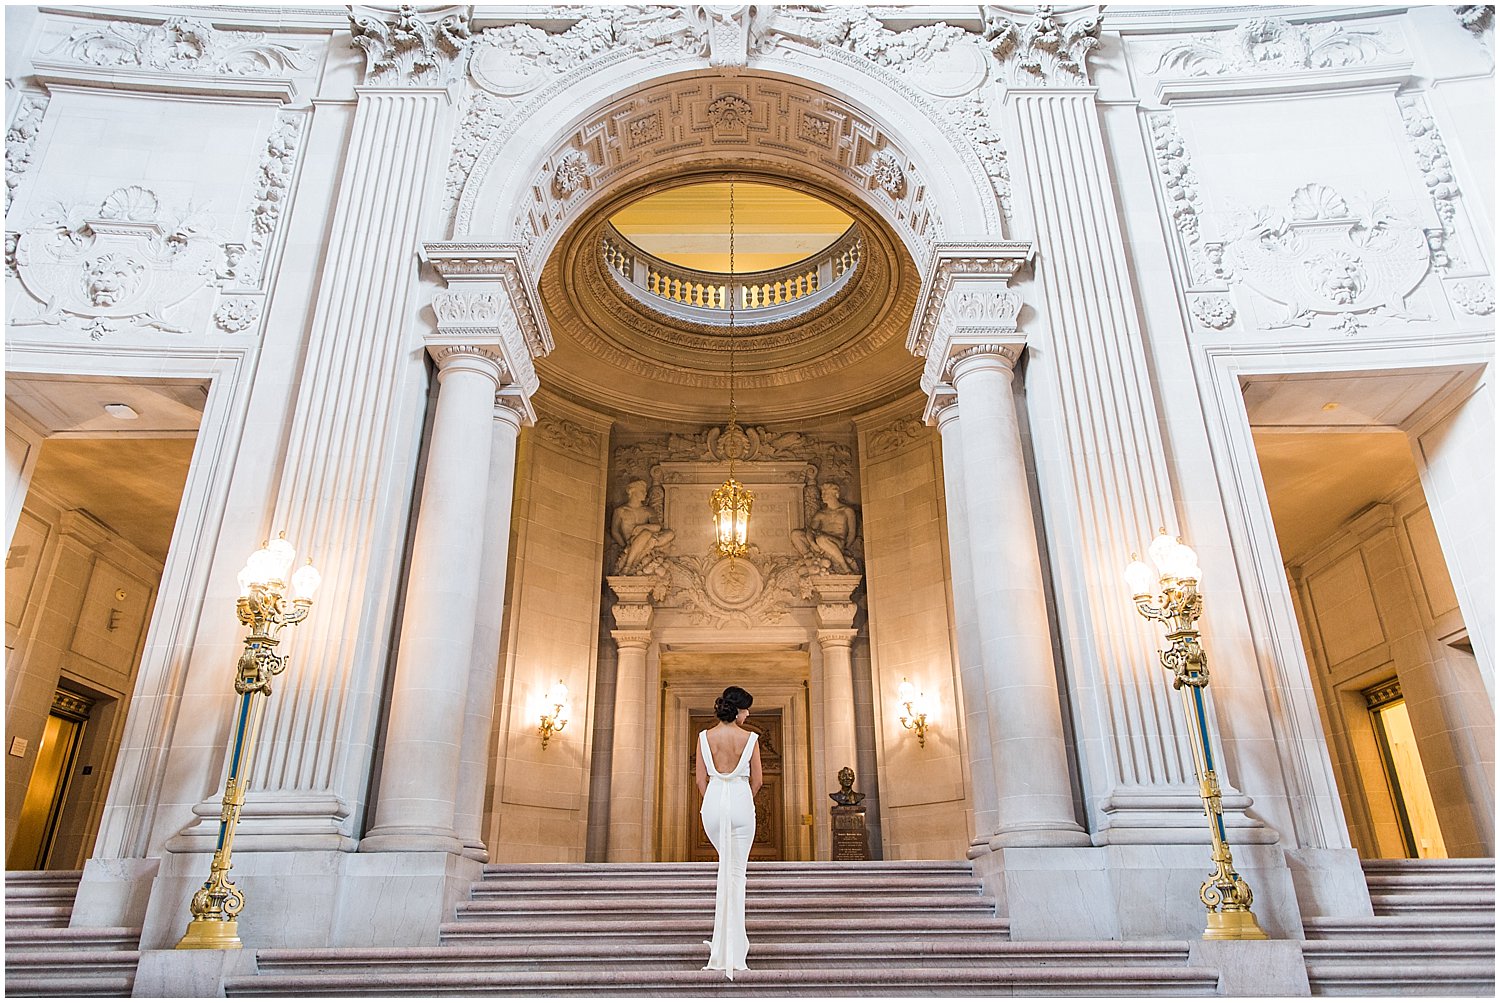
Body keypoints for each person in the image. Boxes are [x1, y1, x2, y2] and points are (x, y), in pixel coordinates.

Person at [695, 685, 762, 979]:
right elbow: (757, 781)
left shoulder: (703, 737)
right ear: (737, 710)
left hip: (712, 805)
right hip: (739, 802)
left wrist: (713, 802)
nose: (748, 714)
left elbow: (700, 780)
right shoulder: (750, 738)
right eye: (746, 708)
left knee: (726, 871)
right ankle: (734, 949)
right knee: (736, 875)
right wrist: (741, 801)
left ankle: (724, 946)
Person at [790, 481, 858, 573]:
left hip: (838, 542)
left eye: (826, 493)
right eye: (823, 493)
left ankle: (844, 565)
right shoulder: (821, 514)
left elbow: (852, 532)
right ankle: (809, 557)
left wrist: (845, 548)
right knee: (796, 534)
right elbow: (810, 531)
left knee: (821, 539)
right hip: (820, 543)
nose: (823, 496)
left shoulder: (847, 511)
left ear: (836, 494)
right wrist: (812, 544)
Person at [610, 478, 674, 574]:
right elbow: (614, 531)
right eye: (642, 491)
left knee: (670, 533)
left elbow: (657, 527)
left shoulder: (648, 510)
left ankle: (636, 558)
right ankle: (628, 565)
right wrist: (624, 545)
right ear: (632, 491)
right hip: (630, 540)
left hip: (649, 539)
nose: (645, 493)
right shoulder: (621, 511)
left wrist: (641, 527)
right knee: (646, 534)